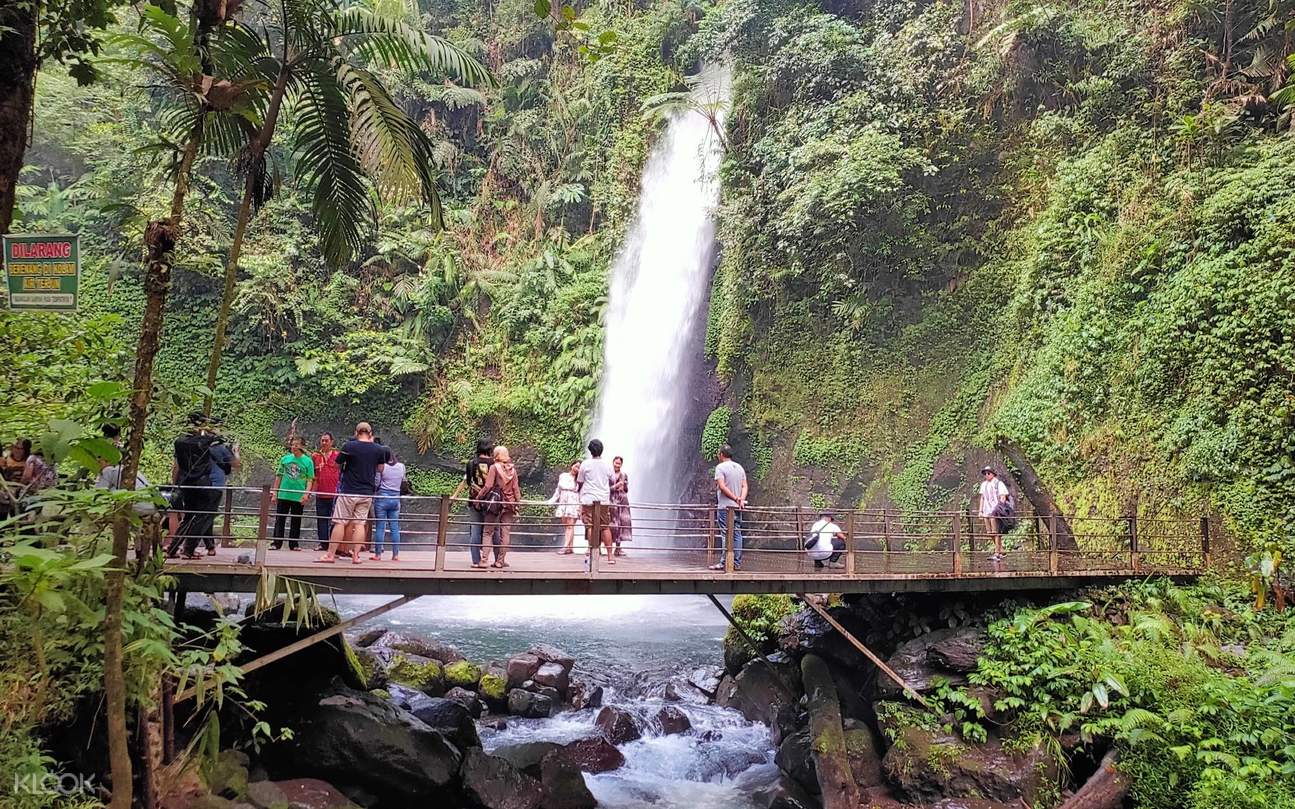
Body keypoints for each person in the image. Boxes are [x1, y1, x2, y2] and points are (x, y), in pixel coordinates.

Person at [317, 422, 386, 565]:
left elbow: (337, 464)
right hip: (367, 492)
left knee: (340, 522)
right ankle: (356, 556)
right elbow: (380, 469)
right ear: (370, 433)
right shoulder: (378, 449)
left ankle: (330, 555)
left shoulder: (349, 446)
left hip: (348, 490)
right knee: (360, 524)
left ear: (356, 432)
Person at [167, 413, 223, 559]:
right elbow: (218, 437)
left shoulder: (179, 442)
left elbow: (177, 466)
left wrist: (175, 483)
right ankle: (188, 550)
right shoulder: (205, 441)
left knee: (188, 516)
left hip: (186, 482)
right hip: (202, 482)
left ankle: (173, 548)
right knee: (202, 516)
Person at [451, 439, 495, 568]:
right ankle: (496, 559)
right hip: (491, 501)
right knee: (492, 531)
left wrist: (456, 495)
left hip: (475, 500)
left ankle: (476, 560)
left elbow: (468, 482)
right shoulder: (494, 464)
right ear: (489, 449)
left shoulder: (471, 463)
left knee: (475, 530)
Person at [271, 437, 315, 551]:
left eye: (296, 445)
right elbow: (279, 475)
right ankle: (276, 543)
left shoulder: (308, 461)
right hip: (284, 493)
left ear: (302, 446)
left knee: (296, 520)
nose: (294, 447)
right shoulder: (285, 459)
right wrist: (275, 492)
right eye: (292, 445)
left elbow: (310, 479)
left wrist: (306, 493)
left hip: (298, 495)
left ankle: (294, 544)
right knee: (280, 519)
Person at [577, 439, 615, 566]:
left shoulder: (585, 464)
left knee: (590, 525)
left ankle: (592, 552)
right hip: (603, 499)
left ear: (590, 451)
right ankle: (610, 556)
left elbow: (580, 481)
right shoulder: (607, 465)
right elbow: (612, 481)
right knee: (605, 527)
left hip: (588, 499)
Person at [482, 445, 521, 569]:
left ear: (496, 455)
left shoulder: (494, 468)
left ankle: (484, 561)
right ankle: (500, 561)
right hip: (509, 504)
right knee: (505, 533)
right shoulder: (512, 470)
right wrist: (517, 503)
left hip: (496, 503)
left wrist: (478, 498)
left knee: (488, 532)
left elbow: (488, 486)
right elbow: (516, 489)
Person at [709, 445, 747, 572]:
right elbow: (745, 486)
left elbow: (722, 487)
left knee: (726, 534)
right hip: (737, 507)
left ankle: (724, 563)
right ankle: (736, 563)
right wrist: (740, 499)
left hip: (725, 507)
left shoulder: (720, 467)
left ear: (721, 454)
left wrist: (736, 499)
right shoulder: (740, 468)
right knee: (737, 534)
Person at [372, 450, 406, 561]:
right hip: (395, 498)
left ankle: (378, 555)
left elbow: (377, 482)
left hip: (382, 497)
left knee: (380, 527)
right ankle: (395, 555)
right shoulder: (401, 466)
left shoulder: (382, 467)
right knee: (395, 527)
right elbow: (403, 481)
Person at [311, 432, 341, 551]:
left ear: (331, 442)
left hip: (335, 493)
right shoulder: (315, 456)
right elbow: (313, 475)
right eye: (322, 440)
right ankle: (323, 543)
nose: (324, 443)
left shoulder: (337, 455)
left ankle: (333, 544)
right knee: (322, 519)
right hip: (321, 492)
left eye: (326, 440)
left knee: (335, 520)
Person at [548, 461, 581, 554]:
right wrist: (552, 500)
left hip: (573, 503)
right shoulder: (563, 476)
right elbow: (558, 490)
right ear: (571, 466)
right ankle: (570, 547)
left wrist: (580, 506)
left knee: (570, 526)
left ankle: (565, 547)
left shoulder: (580, 480)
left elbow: (581, 494)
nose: (576, 469)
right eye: (575, 466)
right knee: (567, 526)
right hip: (563, 502)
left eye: (579, 468)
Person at [978, 466, 1009, 561]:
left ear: (993, 474)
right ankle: (1001, 550)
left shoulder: (998, 484)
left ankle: (997, 553)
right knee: (990, 532)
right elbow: (982, 498)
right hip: (986, 511)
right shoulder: (984, 485)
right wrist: (980, 510)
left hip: (995, 511)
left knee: (996, 532)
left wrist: (999, 509)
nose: (986, 475)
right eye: (985, 473)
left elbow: (1002, 496)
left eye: (988, 473)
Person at [609, 456, 632, 557]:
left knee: (621, 523)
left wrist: (624, 485)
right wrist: (616, 486)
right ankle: (604, 547)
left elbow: (626, 489)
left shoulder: (624, 475)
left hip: (622, 500)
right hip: (611, 499)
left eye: (619, 463)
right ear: (613, 462)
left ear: (621, 464)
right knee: (609, 523)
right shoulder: (609, 474)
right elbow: (606, 488)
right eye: (615, 463)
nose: (617, 465)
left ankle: (618, 548)